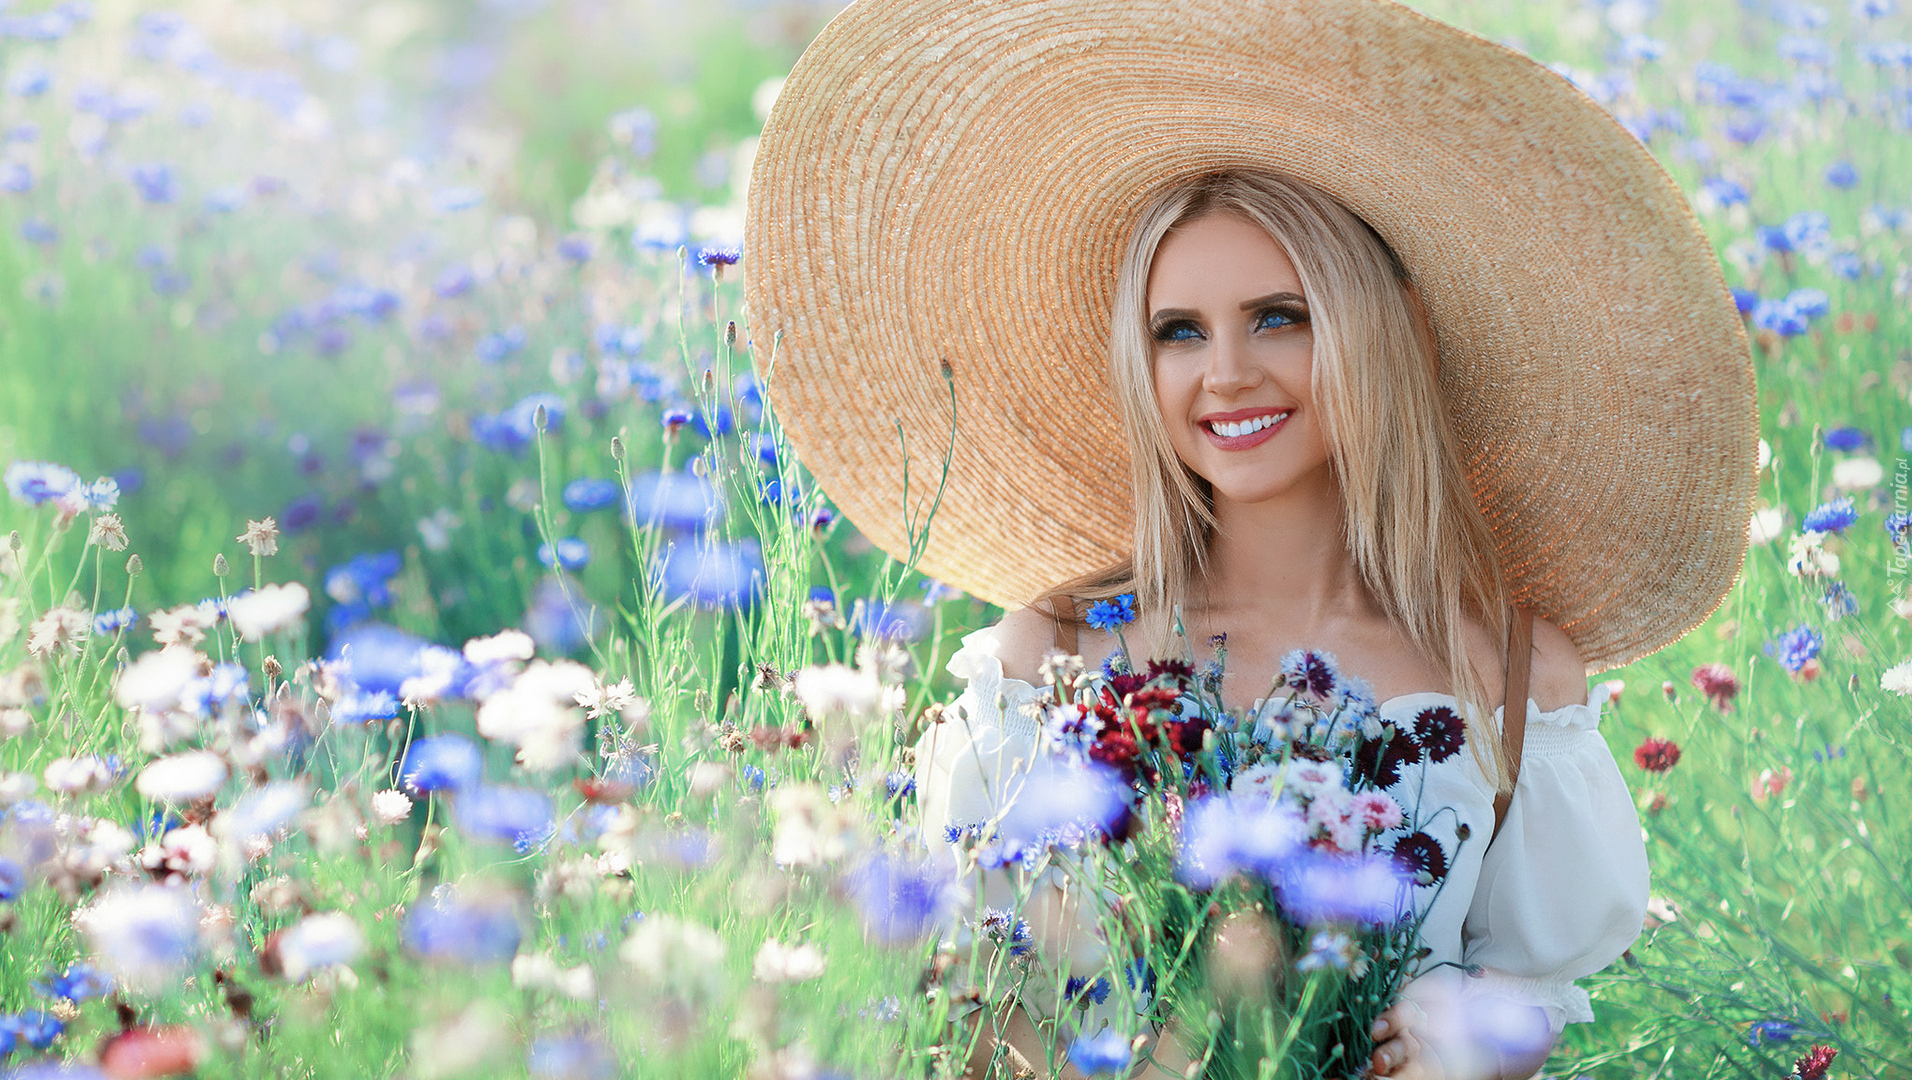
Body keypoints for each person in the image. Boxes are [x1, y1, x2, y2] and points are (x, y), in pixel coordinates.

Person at [741, 0, 1758, 1077]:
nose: (1225, 373)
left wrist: (1463, 1042)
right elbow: (967, 1001)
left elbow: (1533, 1002)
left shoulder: (1510, 679)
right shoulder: (1054, 660)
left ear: (1382, 329)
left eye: (1279, 316)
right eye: (1179, 332)